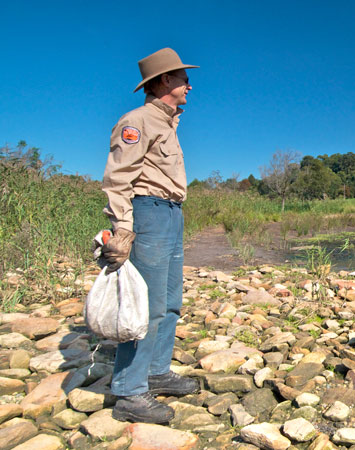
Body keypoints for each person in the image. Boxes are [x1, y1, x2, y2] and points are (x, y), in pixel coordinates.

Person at [100, 47, 200, 423]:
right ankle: (129, 392)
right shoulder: (138, 120)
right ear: (163, 81)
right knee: (147, 306)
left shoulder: (167, 122)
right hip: (148, 213)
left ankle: (156, 373)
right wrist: (123, 226)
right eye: (183, 79)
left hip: (171, 214)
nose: (189, 86)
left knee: (170, 303)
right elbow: (118, 177)